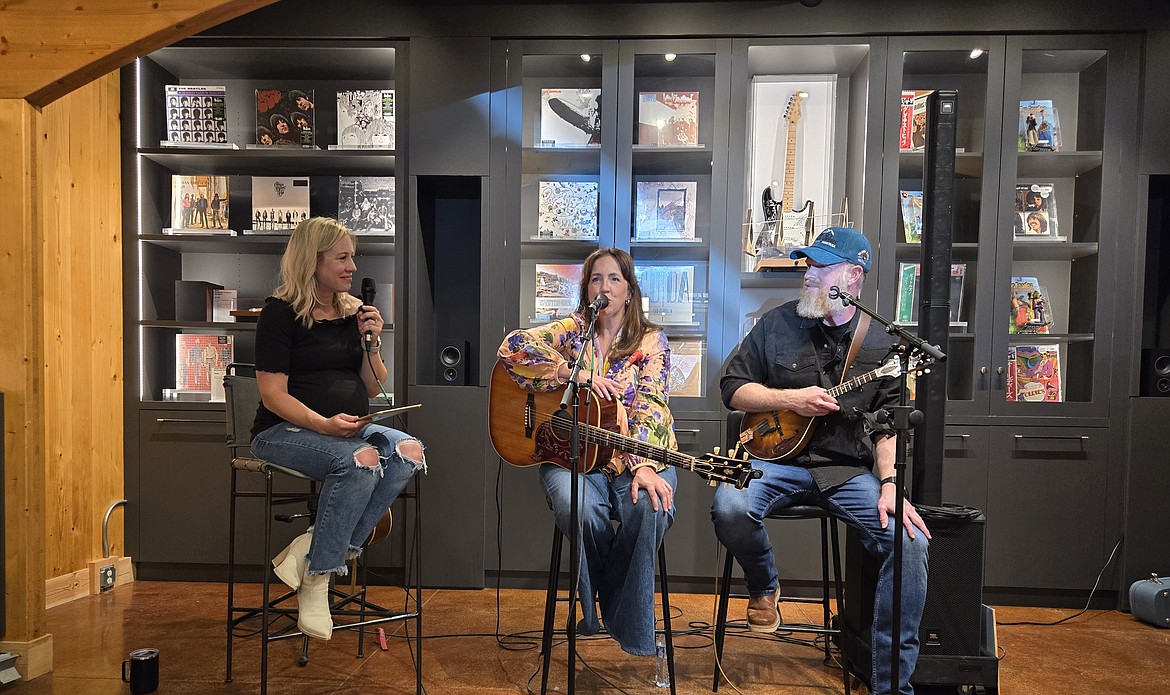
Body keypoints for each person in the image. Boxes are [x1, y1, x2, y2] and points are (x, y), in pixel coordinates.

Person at [710, 226, 930, 695]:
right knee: (729, 506)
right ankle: (764, 584)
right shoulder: (777, 323)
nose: (808, 274)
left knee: (910, 542)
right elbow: (731, 389)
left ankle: (891, 686)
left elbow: (888, 428)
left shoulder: (883, 345)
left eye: (819, 266)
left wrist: (891, 485)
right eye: (807, 264)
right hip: (775, 463)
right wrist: (790, 397)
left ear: (852, 276)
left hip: (845, 472)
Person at [250, 216, 426, 641]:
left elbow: (374, 384)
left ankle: (315, 552)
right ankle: (317, 582)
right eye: (342, 258)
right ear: (313, 261)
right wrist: (323, 425)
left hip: (347, 428)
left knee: (409, 452)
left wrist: (373, 342)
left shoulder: (354, 313)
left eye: (353, 257)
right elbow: (273, 394)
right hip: (283, 431)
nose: (352, 266)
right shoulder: (279, 315)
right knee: (363, 461)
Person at [496, 247, 677, 657]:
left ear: (629, 290)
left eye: (614, 279)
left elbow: (652, 403)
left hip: (634, 458)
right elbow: (512, 347)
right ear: (587, 288)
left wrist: (645, 465)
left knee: (650, 510)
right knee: (576, 506)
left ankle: (607, 610)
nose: (605, 287)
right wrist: (566, 372)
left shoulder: (652, 341)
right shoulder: (573, 330)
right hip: (572, 455)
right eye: (596, 279)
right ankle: (615, 607)